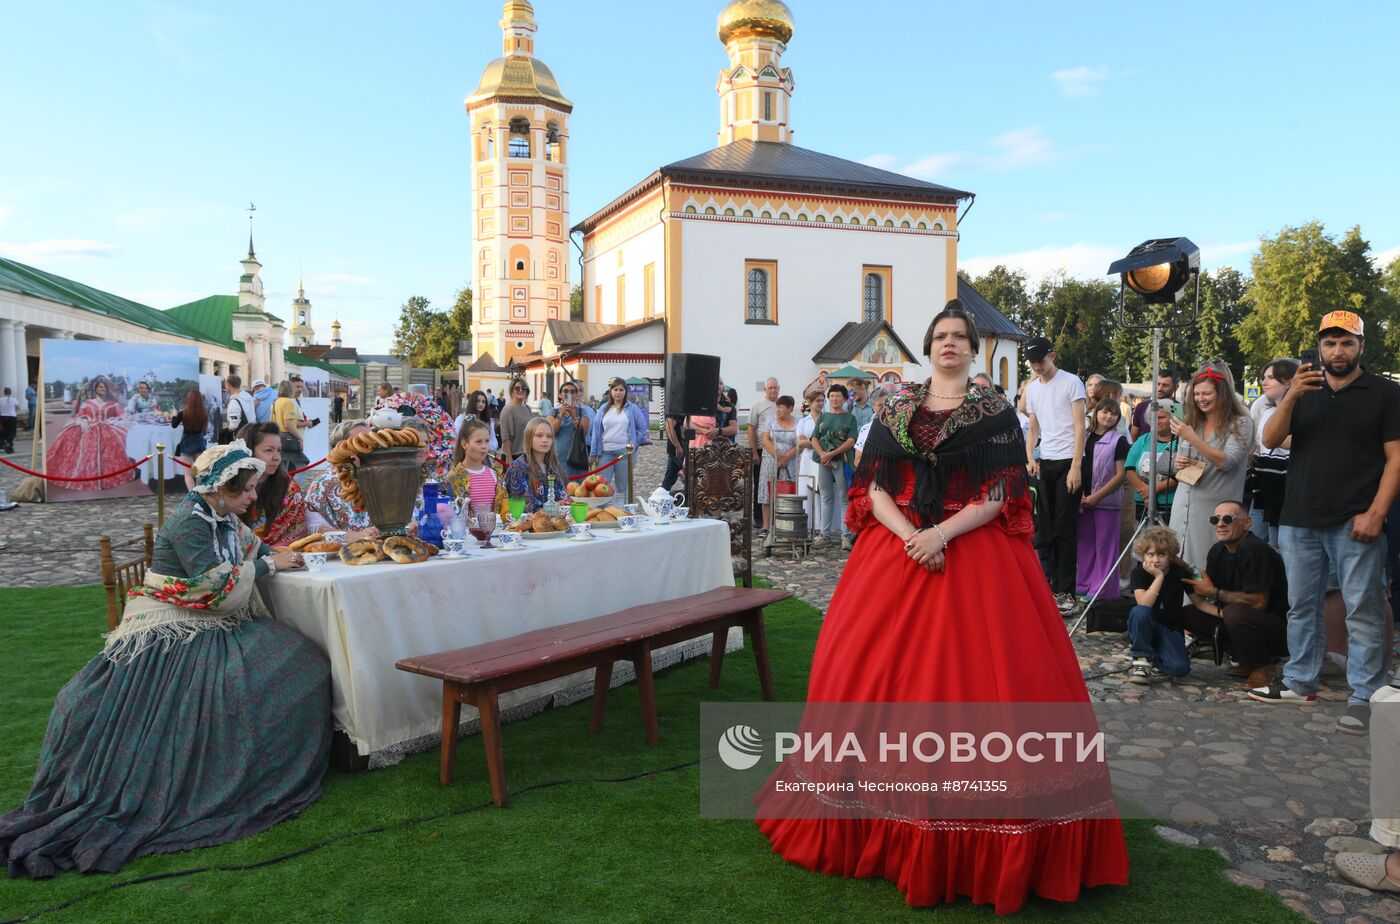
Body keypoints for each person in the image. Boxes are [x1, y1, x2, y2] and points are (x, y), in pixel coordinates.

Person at [757, 302, 1128, 911]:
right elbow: (872, 485)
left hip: (973, 553)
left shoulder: (995, 413)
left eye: (960, 336)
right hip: (894, 549)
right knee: (864, 672)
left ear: (973, 350)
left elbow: (1001, 492)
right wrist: (910, 535)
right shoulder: (896, 407)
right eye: (942, 336)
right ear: (929, 347)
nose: (950, 343)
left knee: (985, 683)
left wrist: (941, 535)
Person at [0, 441, 328, 878]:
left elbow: (256, 551)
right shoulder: (191, 521)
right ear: (220, 488)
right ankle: (227, 776)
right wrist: (270, 567)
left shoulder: (223, 516)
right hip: (175, 626)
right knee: (260, 679)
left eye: (253, 488)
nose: (253, 496)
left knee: (301, 660)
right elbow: (216, 592)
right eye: (247, 489)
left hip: (210, 621)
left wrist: (288, 556)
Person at [1250, 311, 1400, 735]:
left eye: (1346, 342)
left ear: (1361, 347)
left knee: (1363, 611)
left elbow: (1396, 460)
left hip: (1355, 519)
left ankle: (1367, 694)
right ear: (1320, 346)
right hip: (1299, 517)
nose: (1337, 351)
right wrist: (1292, 395)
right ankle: (1301, 680)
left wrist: (1377, 512)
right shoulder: (1305, 390)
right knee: (1302, 606)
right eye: (1330, 343)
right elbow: (1270, 439)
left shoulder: (1386, 394)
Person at [1183, 500, 1290, 689]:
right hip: (1237, 618)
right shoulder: (1217, 551)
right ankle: (1243, 658)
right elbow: (1209, 591)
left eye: (1228, 519)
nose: (1220, 524)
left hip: (1277, 628)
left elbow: (1259, 602)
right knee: (1185, 614)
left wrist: (1213, 592)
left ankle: (1262, 666)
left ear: (1247, 523)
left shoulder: (1254, 549)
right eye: (1215, 519)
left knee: (1234, 613)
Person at [1167, 367, 1255, 573]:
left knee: (1207, 565)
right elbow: (1181, 464)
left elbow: (1227, 462)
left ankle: (1206, 604)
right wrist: (1178, 463)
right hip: (1183, 504)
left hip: (1215, 509)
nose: (1200, 399)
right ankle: (1181, 605)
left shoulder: (1240, 423)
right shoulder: (1193, 424)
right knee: (1178, 565)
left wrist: (1192, 438)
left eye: (1206, 393)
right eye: (1196, 394)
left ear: (1222, 394)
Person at [1024, 336, 1087, 614]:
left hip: (1069, 459)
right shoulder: (1033, 388)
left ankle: (1066, 591)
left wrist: (1076, 465)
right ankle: (1050, 586)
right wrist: (1030, 456)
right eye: (1033, 361)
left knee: (1064, 529)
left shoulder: (1071, 381)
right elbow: (1034, 428)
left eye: (1041, 359)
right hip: (1046, 460)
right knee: (1045, 527)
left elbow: (1079, 426)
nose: (1037, 365)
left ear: (1052, 355)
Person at [1126, 525, 1202, 682]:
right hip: (1147, 622)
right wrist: (1159, 577)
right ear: (1143, 556)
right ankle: (1141, 659)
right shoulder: (1139, 573)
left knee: (1179, 668)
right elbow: (1144, 604)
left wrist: (1221, 613)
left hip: (1170, 629)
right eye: (1150, 554)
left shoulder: (1179, 573)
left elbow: (1199, 601)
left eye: (1161, 554)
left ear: (1171, 556)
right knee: (1139, 612)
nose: (1155, 559)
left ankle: (1155, 657)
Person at [1077, 397, 1128, 600]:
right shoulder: (1085, 436)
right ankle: (1083, 582)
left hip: (1106, 502)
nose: (1108, 416)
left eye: (1113, 413)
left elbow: (1120, 474)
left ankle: (1102, 588)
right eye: (1104, 411)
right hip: (1082, 499)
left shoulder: (1119, 440)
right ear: (1096, 412)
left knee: (1105, 546)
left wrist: (1097, 496)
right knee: (1085, 543)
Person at [47, 376, 129, 491]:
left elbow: (121, 415)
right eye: (100, 387)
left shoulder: (112, 404)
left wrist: (123, 421)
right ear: (95, 389)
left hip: (108, 429)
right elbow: (78, 416)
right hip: (88, 428)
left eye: (104, 387)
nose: (103, 389)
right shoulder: (87, 403)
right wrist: (81, 421)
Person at [303, 420, 381, 539]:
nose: (370, 448)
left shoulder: (383, 478)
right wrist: (356, 536)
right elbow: (314, 527)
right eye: (361, 442)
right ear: (341, 448)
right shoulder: (323, 483)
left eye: (371, 441)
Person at [1249, 359, 1297, 546]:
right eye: (1263, 377)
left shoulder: (1301, 409)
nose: (1264, 382)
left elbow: (1280, 442)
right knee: (1258, 543)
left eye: (1271, 378)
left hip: (1285, 488)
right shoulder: (1266, 410)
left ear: (1289, 382)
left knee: (1282, 547)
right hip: (1264, 484)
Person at [237, 422, 308, 546]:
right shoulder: (228, 487)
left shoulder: (289, 489)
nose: (277, 458)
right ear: (248, 451)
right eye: (269, 450)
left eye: (279, 450)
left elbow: (295, 536)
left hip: (282, 558)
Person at [812, 383, 857, 551]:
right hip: (824, 461)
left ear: (845, 398)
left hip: (842, 460)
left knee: (844, 496)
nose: (834, 399)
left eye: (838, 396)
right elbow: (815, 437)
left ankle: (845, 536)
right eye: (832, 396)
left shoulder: (849, 418)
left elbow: (851, 440)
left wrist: (832, 454)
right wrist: (823, 454)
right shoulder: (823, 417)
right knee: (825, 496)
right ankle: (825, 535)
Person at [587, 377, 647, 495]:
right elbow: (596, 431)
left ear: (625, 392)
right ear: (611, 391)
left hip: (624, 453)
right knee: (601, 486)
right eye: (615, 389)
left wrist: (633, 445)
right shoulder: (603, 409)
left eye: (621, 390)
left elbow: (642, 427)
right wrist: (593, 454)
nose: (618, 393)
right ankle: (602, 512)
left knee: (622, 488)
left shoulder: (632, 408)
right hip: (605, 452)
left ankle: (621, 512)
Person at [1124, 399, 1181, 523]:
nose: (1156, 420)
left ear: (1173, 418)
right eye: (1152, 417)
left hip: (1170, 503)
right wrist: (1144, 492)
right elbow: (1129, 467)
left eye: (1161, 417)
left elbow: (1180, 474)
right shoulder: (1144, 439)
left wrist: (1153, 489)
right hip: (1142, 501)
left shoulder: (1180, 442)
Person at [445, 417, 508, 518]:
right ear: (464, 444)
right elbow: (450, 512)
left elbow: (505, 510)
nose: (484, 446)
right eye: (479, 441)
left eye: (487, 441)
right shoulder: (454, 476)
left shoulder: (496, 475)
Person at [505, 416, 568, 513]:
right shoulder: (518, 468)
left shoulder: (555, 467)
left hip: (558, 523)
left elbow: (565, 500)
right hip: (528, 525)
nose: (545, 440)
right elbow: (528, 506)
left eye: (549, 436)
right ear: (529, 437)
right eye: (539, 435)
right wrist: (556, 506)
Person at [758, 395, 799, 517]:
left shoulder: (799, 421)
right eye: (777, 407)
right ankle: (766, 526)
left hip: (790, 461)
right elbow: (765, 440)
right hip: (770, 459)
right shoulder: (770, 420)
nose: (778, 410)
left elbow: (800, 444)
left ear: (790, 408)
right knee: (767, 492)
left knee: (786, 491)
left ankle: (784, 522)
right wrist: (779, 456)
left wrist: (786, 457)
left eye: (781, 407)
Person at [749, 377, 780, 533]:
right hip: (761, 450)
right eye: (770, 388)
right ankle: (759, 518)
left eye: (775, 388)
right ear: (765, 390)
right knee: (760, 486)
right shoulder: (758, 406)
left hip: (779, 451)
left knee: (778, 485)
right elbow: (751, 429)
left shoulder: (782, 406)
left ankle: (775, 516)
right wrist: (753, 451)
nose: (773, 390)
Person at [549, 380, 594, 480]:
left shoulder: (583, 412)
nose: (568, 394)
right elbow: (551, 432)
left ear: (576, 395)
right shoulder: (553, 412)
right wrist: (561, 415)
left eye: (572, 392)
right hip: (558, 458)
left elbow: (583, 433)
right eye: (565, 391)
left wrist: (574, 417)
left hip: (576, 458)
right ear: (560, 395)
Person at [795, 390, 825, 535]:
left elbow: (827, 442)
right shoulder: (803, 421)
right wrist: (816, 442)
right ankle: (806, 524)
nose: (820, 403)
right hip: (807, 459)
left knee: (820, 492)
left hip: (822, 458)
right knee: (805, 490)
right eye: (817, 401)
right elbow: (800, 442)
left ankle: (821, 525)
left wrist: (810, 442)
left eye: (822, 400)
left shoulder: (826, 419)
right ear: (811, 403)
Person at [170, 388, 209, 491]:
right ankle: (201, 494)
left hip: (187, 444)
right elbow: (204, 431)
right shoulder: (204, 413)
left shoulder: (183, 413)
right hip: (200, 443)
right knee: (200, 473)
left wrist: (174, 414)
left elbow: (174, 425)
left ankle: (192, 497)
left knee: (188, 474)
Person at [272, 381, 311, 473]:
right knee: (302, 467)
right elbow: (288, 424)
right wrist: (300, 438)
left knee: (283, 468)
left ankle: (283, 486)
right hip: (288, 438)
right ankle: (293, 487)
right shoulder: (289, 402)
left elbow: (272, 422)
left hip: (278, 436)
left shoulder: (275, 402)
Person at [1131, 370, 1179, 440]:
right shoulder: (1141, 407)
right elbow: (1134, 434)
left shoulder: (1180, 409)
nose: (1159, 388)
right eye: (1158, 384)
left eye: (1165, 385)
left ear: (1176, 387)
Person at [455, 389, 500, 456]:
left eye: (483, 402)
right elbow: (458, 438)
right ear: (472, 402)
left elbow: (494, 442)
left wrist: (484, 446)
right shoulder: (461, 419)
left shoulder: (489, 421)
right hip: (466, 457)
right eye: (478, 401)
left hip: (484, 457)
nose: (481, 404)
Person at [498, 378, 534, 461]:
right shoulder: (507, 410)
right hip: (513, 455)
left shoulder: (527, 408)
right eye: (517, 388)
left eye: (523, 388)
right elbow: (505, 437)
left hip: (526, 454)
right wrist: (510, 460)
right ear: (511, 391)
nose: (521, 390)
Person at [223, 374, 254, 443]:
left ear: (228, 384)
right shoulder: (248, 397)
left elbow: (234, 425)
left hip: (241, 436)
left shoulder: (234, 402)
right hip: (251, 431)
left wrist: (227, 430)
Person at [662, 408, 686, 493]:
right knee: (670, 478)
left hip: (686, 447)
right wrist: (678, 447)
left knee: (670, 478)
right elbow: (669, 429)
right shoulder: (673, 406)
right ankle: (662, 498)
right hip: (677, 449)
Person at [0, 386, 17, 453]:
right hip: (12, 417)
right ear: (10, 393)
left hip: (3, 417)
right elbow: (18, 408)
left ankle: (4, 443)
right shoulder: (14, 399)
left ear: (4, 392)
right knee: (12, 432)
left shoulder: (0, 399)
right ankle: (9, 443)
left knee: (4, 431)